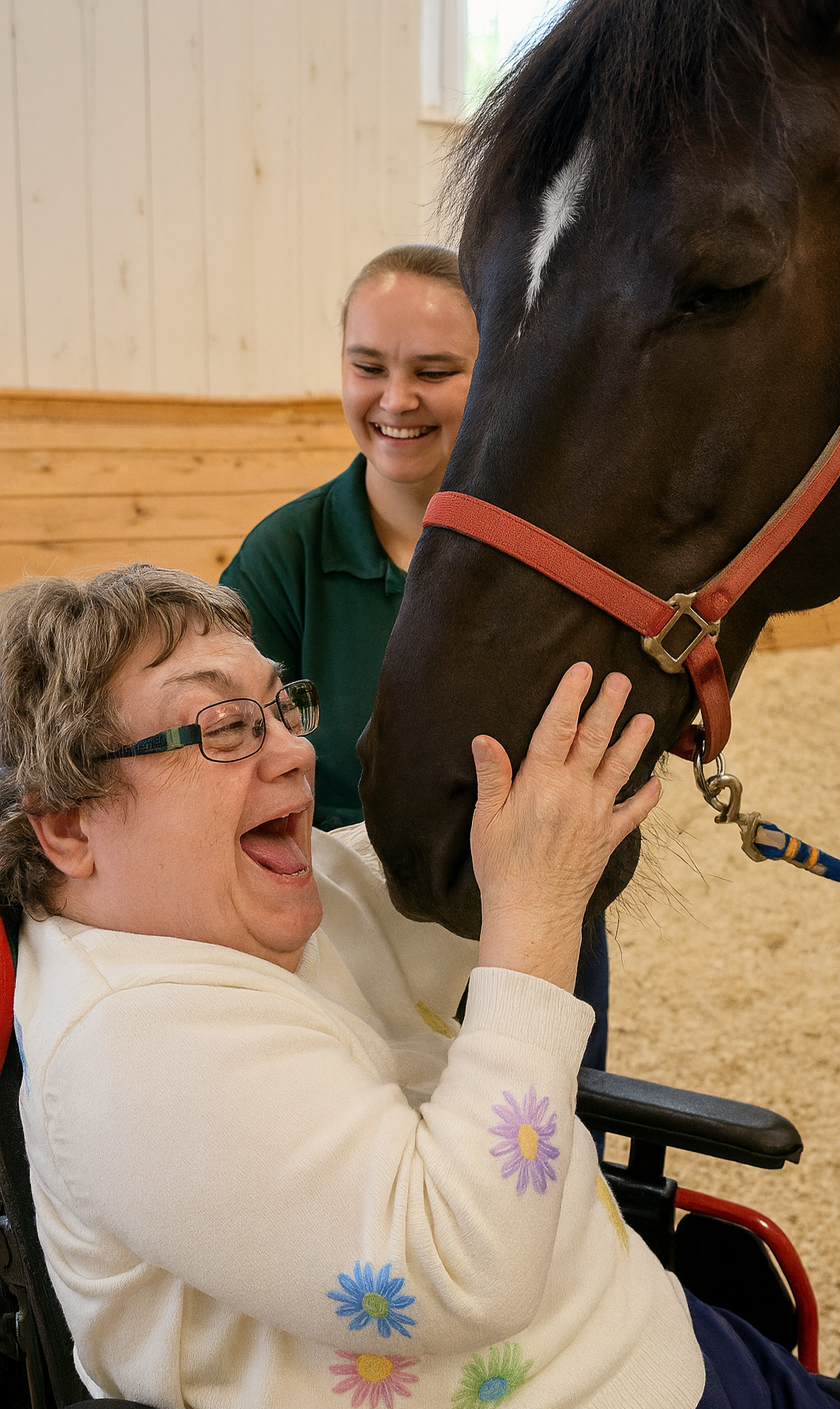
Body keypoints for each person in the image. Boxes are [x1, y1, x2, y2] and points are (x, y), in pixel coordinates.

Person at [4, 566, 840, 1409]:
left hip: (675, 1359)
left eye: (280, 707)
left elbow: (445, 868)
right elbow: (459, 1266)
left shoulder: (255, 901)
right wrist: (538, 911)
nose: (295, 753)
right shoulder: (127, 1049)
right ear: (67, 823)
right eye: (221, 728)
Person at [219, 243, 608, 1065]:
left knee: (540, 1159)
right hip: (344, 941)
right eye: (368, 366)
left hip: (525, 923)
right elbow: (224, 768)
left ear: (496, 369)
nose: (396, 400)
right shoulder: (283, 557)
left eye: (434, 371)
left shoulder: (557, 549)